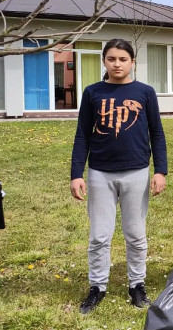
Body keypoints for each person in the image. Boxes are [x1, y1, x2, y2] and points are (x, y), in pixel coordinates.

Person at [70, 39, 167, 315]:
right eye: (111, 58)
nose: (117, 64)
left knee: (135, 234)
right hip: (100, 173)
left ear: (132, 62)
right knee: (99, 236)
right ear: (104, 61)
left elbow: (157, 133)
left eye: (123, 59)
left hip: (136, 171)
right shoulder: (92, 93)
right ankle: (97, 287)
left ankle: (137, 284)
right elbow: (82, 136)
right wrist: (77, 174)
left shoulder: (145, 93)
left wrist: (160, 170)